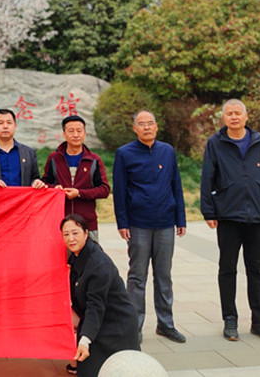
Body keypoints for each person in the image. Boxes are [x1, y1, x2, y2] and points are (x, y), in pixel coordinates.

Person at [201, 99, 260, 343]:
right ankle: (230, 319)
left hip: (258, 214)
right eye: (229, 113)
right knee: (227, 269)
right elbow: (207, 178)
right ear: (224, 118)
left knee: (256, 270)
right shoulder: (215, 143)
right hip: (228, 215)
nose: (234, 117)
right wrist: (209, 212)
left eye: (238, 113)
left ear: (246, 116)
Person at [112, 110, 186, 344]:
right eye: (141, 124)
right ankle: (133, 327)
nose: (146, 127)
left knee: (164, 276)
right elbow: (119, 190)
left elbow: (176, 185)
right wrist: (122, 222)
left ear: (156, 126)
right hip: (138, 223)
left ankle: (166, 324)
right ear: (134, 128)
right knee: (137, 277)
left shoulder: (167, 151)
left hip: (165, 222)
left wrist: (180, 218)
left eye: (150, 123)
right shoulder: (125, 153)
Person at [61, 214, 139, 377]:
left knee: (120, 371)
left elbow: (95, 306)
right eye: (66, 234)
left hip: (116, 323)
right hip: (98, 320)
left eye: (75, 233)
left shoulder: (98, 264)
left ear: (86, 233)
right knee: (89, 369)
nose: (71, 238)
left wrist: (85, 340)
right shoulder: (78, 255)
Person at [40, 115, 110, 239]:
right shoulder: (54, 158)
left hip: (87, 223)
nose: (76, 135)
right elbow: (45, 184)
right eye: (71, 131)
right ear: (64, 134)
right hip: (60, 222)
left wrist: (79, 193)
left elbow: (104, 190)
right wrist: (55, 189)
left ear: (84, 133)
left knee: (89, 252)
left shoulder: (94, 160)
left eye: (79, 131)